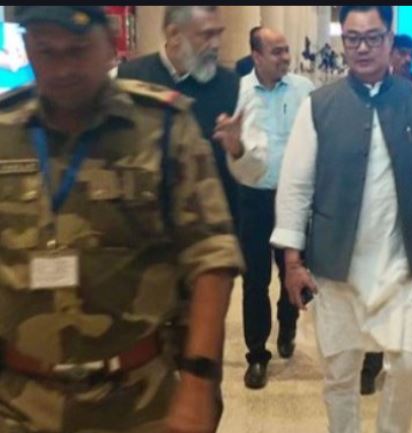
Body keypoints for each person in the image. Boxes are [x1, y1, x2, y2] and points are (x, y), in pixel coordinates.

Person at [0, 6, 244, 433]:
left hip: (137, 398)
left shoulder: (160, 126)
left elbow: (211, 255)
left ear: (110, 44)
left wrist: (198, 380)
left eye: (77, 50)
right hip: (19, 400)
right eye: (46, 51)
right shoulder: (5, 130)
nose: (62, 68)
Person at [270, 5, 412, 433]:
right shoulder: (319, 106)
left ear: (389, 39)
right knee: (339, 373)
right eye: (352, 38)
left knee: (409, 365)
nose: (363, 48)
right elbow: (295, 188)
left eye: (373, 37)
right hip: (337, 266)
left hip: (402, 263)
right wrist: (293, 263)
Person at [221, 26, 314, 390]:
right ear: (256, 56)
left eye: (286, 50)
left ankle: (287, 326)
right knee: (255, 280)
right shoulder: (237, 93)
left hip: (294, 199)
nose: (285, 58)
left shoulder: (304, 89)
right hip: (253, 199)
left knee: (293, 269)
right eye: (276, 52)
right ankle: (257, 354)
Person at [116, 6, 242, 228]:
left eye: (218, 33)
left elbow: (256, 171)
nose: (216, 44)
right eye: (207, 35)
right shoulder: (129, 80)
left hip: (214, 228)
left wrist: (239, 150)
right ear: (174, 34)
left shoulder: (232, 85)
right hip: (145, 227)